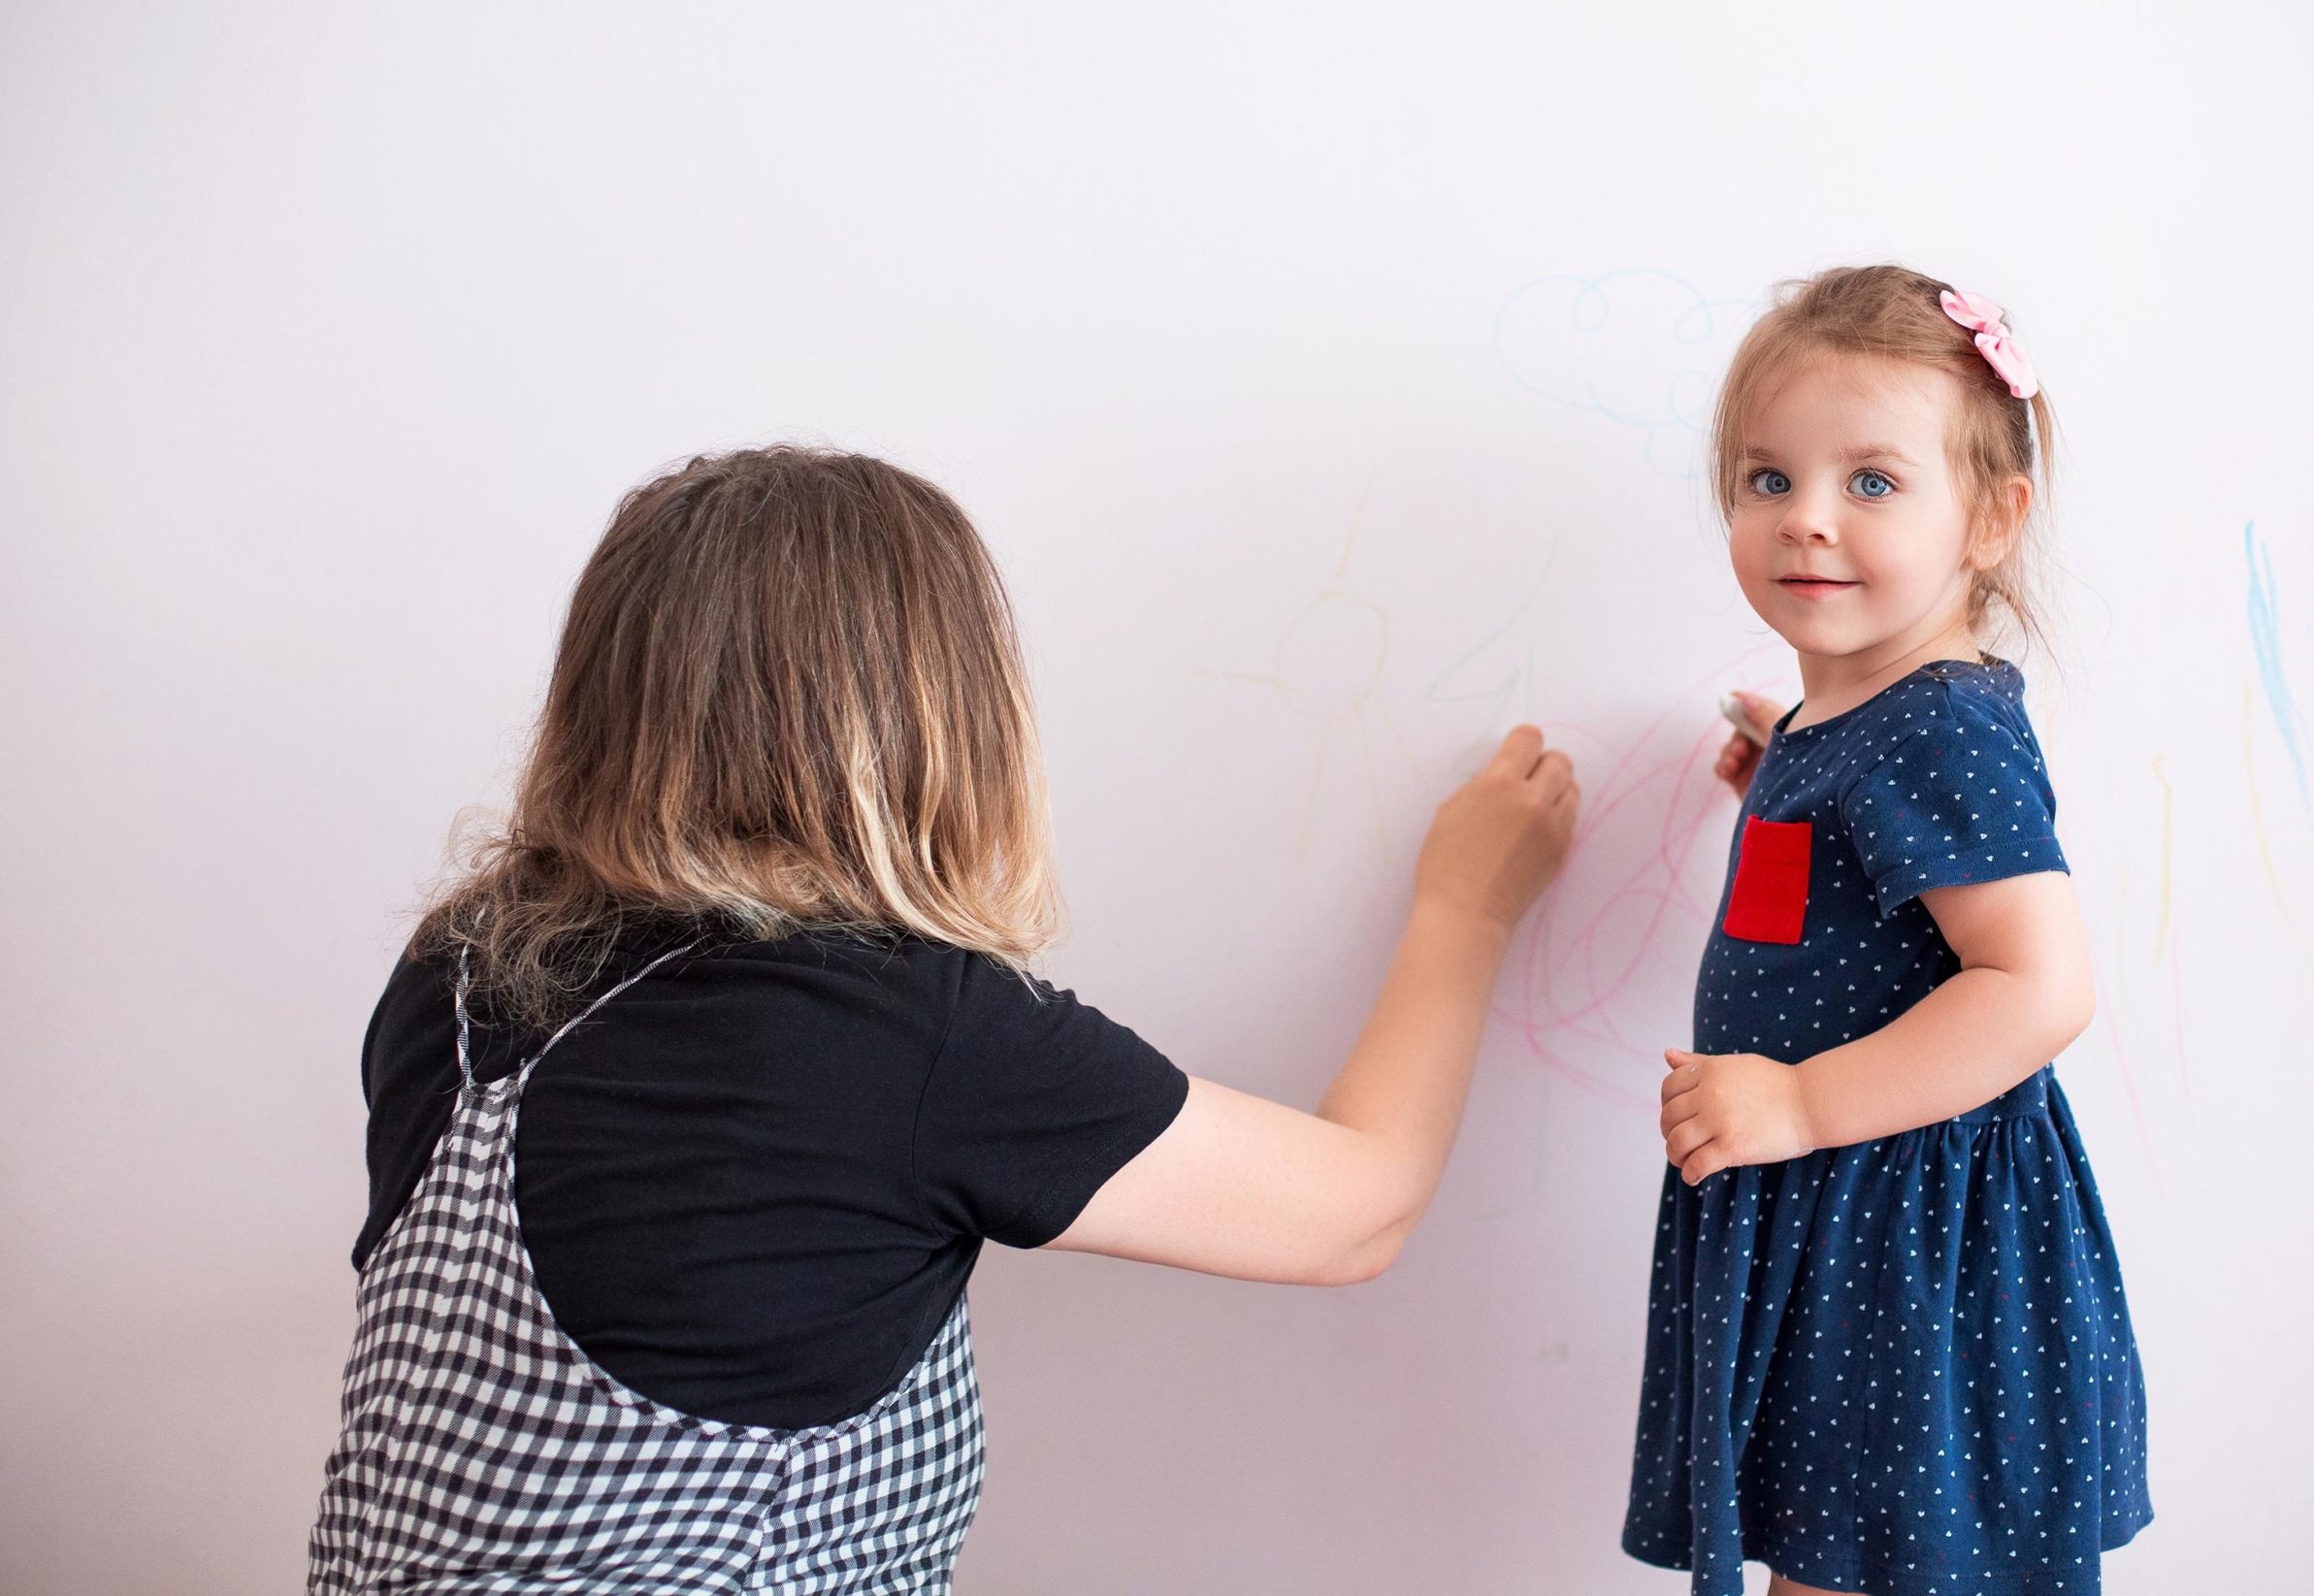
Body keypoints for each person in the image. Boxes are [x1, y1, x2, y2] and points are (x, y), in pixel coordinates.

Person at [306, 446, 1578, 1592]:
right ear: (935, 720)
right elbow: (1356, 1205)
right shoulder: (897, 1030)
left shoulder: (456, 969)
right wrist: (1465, 907)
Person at [1620, 265, 2151, 1595]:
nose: (1808, 520)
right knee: (1837, 1557)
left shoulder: (1932, 726)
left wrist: (1797, 1102)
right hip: (1855, 1225)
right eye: (1766, 479)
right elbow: (1876, 916)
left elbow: (2038, 984)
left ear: (1989, 517)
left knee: (1871, 1567)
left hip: (1906, 1237)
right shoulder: (1849, 721)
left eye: (1871, 482)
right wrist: (1785, 793)